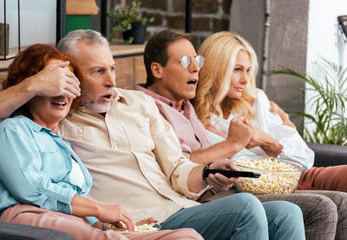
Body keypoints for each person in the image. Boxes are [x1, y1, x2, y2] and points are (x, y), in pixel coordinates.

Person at [0, 30, 306, 240]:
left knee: (287, 213)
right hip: (139, 222)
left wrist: (210, 172)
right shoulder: (57, 117)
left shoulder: (138, 103)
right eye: (98, 72)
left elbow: (180, 171)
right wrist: (37, 85)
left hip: (181, 207)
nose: (111, 80)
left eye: (112, 68)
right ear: (66, 77)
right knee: (247, 207)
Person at [139, 29, 347, 240]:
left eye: (197, 61)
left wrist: (269, 139)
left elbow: (303, 159)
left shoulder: (191, 105)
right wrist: (234, 144)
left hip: (282, 177)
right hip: (234, 190)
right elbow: (182, 167)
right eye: (237, 69)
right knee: (322, 206)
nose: (195, 68)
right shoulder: (151, 107)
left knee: (325, 204)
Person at [0, 43, 203, 240]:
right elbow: (33, 189)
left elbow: (76, 202)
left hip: (74, 221)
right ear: (32, 86)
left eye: (69, 83)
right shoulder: (13, 129)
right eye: (53, 83)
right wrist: (98, 209)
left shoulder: (61, 143)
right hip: (24, 217)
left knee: (187, 236)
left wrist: (107, 225)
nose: (62, 91)